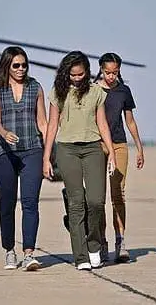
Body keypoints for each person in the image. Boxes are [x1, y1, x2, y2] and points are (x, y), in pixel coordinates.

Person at [43, 51, 116, 270]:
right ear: (66, 73)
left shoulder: (96, 92)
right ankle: (81, 256)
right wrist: (46, 157)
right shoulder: (58, 92)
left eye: (81, 74)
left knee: (96, 201)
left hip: (93, 148)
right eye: (73, 75)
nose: (77, 78)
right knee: (76, 204)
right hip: (67, 150)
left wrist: (111, 151)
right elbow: (52, 125)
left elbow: (102, 123)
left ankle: (94, 245)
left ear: (87, 72)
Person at [0, 46, 48, 271]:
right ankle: (9, 250)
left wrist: (51, 149)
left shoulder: (35, 88)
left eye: (24, 65)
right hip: (5, 152)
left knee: (30, 202)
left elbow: (42, 121)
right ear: (7, 66)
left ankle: (29, 253)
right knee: (7, 204)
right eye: (16, 65)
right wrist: (4, 133)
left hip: (32, 149)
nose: (21, 69)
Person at [94, 52, 145, 263]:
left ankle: (120, 240)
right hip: (96, 144)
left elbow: (130, 121)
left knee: (118, 193)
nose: (111, 76)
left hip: (119, 143)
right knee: (98, 196)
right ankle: (101, 243)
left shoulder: (124, 91)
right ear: (100, 69)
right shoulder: (92, 90)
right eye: (107, 72)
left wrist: (139, 147)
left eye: (115, 72)